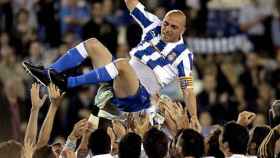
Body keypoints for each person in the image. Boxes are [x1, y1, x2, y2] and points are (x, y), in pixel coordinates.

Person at [22, 0, 197, 120]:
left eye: (173, 27)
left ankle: (68, 83)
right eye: (166, 23)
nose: (166, 29)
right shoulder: (154, 25)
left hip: (139, 98)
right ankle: (50, 74)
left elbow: (188, 91)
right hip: (118, 82)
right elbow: (131, 3)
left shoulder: (184, 55)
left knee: (121, 64)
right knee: (93, 44)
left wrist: (194, 117)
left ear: (183, 29)